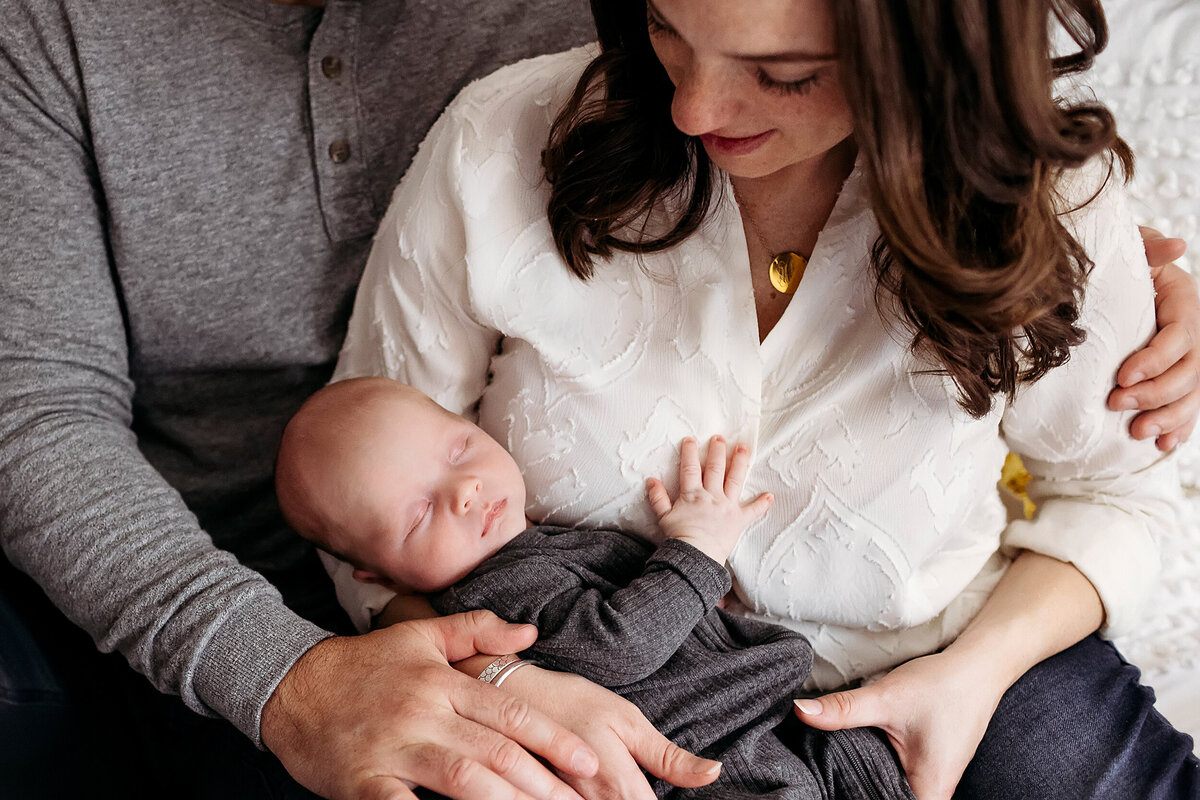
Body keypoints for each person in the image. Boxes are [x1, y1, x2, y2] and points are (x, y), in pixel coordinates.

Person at [0, 2, 1194, 800]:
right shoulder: (517, 132)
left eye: (783, 76)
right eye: (668, 35)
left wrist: (974, 671)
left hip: (932, 649)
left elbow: (1117, 486)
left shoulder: (1050, 200)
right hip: (583, 672)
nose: (692, 105)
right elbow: (372, 503)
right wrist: (488, 681)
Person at [0, 3, 738, 799]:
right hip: (177, 580)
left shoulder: (593, 23)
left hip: (485, 587)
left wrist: (472, 658)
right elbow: (40, 410)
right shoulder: (55, 28)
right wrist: (285, 674)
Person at [273, 375, 918, 800]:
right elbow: (617, 649)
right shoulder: (498, 593)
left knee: (874, 768)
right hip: (691, 753)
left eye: (459, 449)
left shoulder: (538, 544)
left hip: (750, 720)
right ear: (379, 577)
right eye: (417, 515)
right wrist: (694, 553)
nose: (465, 490)